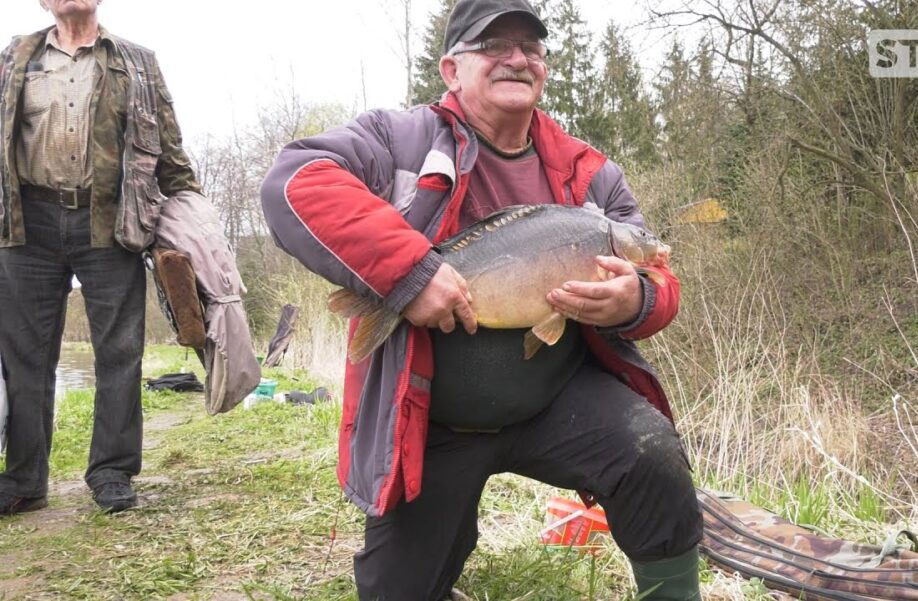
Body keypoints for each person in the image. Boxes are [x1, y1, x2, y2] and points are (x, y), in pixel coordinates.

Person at [260, 0, 701, 598]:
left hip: (558, 401)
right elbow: (294, 180)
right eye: (494, 46)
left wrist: (637, 299)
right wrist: (411, 274)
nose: (516, 59)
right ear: (451, 69)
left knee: (653, 454)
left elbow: (657, 272)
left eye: (531, 48)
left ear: (544, 67)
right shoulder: (399, 141)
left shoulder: (590, 174)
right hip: (433, 421)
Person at [0, 0, 199, 514]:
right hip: (27, 224)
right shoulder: (14, 56)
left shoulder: (138, 61)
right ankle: (23, 480)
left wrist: (196, 224)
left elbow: (171, 151)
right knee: (24, 358)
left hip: (111, 221)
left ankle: (112, 472)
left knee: (120, 352)